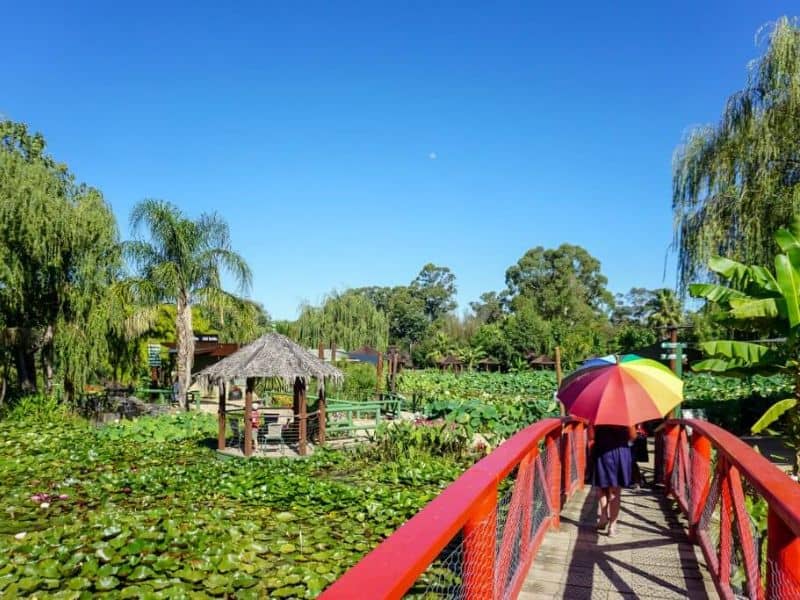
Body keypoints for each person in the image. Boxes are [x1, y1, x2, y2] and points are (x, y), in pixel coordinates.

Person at [592, 424, 635, 537]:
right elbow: (633, 436)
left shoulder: (598, 417)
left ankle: (603, 516)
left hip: (602, 452)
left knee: (602, 486)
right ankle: (612, 527)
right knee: (615, 491)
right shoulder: (627, 417)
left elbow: (591, 436)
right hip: (621, 453)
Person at [631, 423, 649, 488]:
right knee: (632, 461)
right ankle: (639, 480)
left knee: (631, 461)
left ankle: (637, 481)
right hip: (638, 436)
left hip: (636, 437)